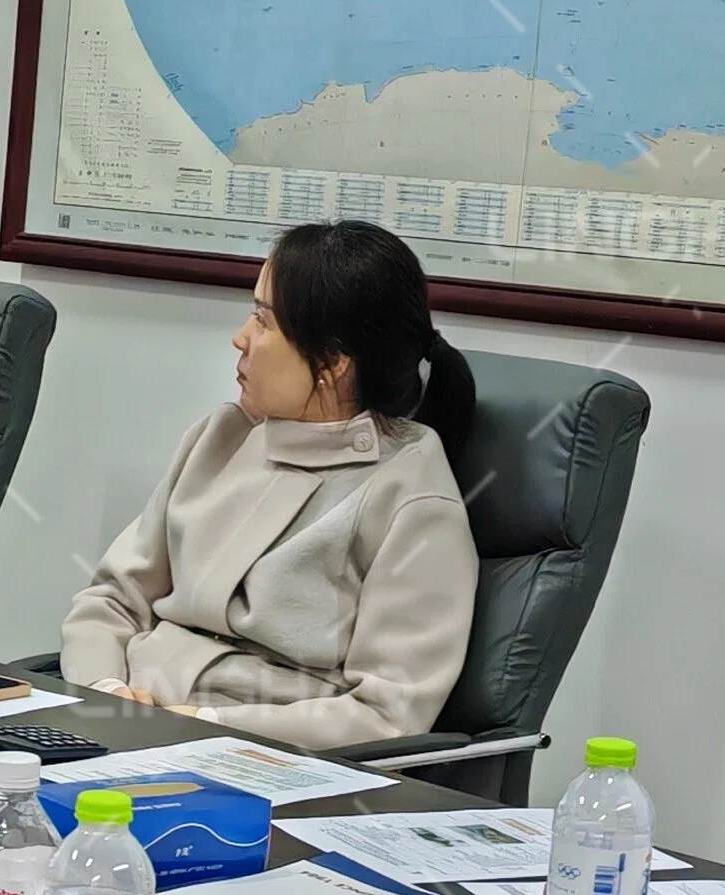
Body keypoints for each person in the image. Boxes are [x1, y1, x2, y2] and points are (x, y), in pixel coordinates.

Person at [61, 218, 480, 749]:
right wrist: (104, 688)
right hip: (119, 727)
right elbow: (112, 600)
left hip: (258, 763)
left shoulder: (411, 496)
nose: (241, 338)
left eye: (263, 321)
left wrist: (201, 727)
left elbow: (386, 715)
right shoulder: (220, 437)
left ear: (333, 361)